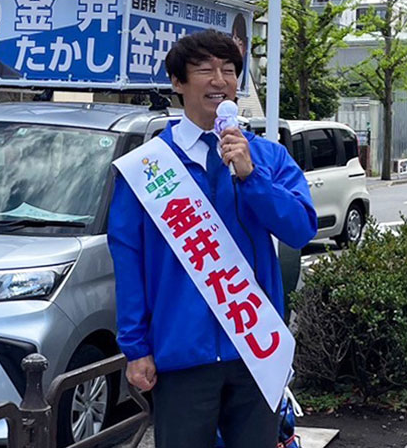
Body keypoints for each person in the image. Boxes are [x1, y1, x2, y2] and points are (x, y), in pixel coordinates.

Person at [107, 29, 317, 448]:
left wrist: (251, 176)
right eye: (204, 69)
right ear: (178, 82)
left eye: (228, 70)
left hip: (256, 350)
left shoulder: (266, 156)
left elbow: (300, 227)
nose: (219, 80)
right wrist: (135, 348)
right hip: (181, 353)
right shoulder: (149, 167)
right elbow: (128, 258)